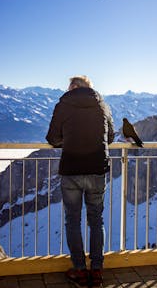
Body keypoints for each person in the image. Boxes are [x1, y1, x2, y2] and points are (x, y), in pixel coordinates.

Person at [46, 75, 114, 287]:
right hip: (97, 169)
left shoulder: (64, 103)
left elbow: (52, 138)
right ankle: (97, 272)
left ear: (74, 86)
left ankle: (79, 271)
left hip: (72, 170)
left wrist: (70, 139)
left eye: (69, 86)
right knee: (96, 220)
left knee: (73, 220)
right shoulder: (102, 104)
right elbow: (110, 137)